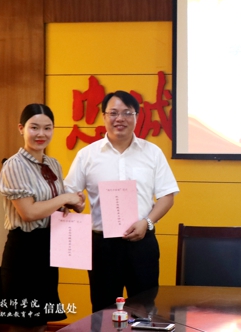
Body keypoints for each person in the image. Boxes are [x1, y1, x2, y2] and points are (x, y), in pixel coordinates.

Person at [65, 90, 179, 312]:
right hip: (102, 246)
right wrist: (76, 202)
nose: (120, 118)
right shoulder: (87, 155)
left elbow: (167, 196)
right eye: (114, 113)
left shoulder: (152, 152)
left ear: (136, 117)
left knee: (144, 308)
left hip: (142, 242)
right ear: (104, 116)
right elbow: (69, 194)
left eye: (127, 113)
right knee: (103, 310)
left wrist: (147, 222)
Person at [0, 104, 85, 332]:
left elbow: (54, 204)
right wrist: (64, 197)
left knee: (40, 324)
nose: (41, 134)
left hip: (48, 248)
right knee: (22, 325)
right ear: (21, 128)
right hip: (23, 251)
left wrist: (74, 203)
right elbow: (28, 213)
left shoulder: (53, 164)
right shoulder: (14, 165)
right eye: (34, 127)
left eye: (47, 128)